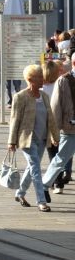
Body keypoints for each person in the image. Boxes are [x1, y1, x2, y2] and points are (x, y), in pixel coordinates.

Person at [8, 64, 58, 212]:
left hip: (42, 138)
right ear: (30, 79)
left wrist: (55, 136)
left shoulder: (44, 96)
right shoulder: (20, 97)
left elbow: (51, 118)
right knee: (36, 168)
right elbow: (14, 119)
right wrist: (11, 141)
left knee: (31, 168)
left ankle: (20, 193)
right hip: (27, 139)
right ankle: (41, 201)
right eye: (39, 77)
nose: (43, 79)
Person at [43, 54, 75, 195]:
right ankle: (43, 187)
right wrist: (54, 131)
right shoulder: (63, 80)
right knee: (60, 159)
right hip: (70, 128)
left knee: (60, 159)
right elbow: (56, 107)